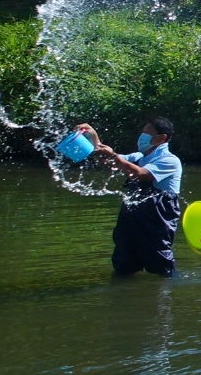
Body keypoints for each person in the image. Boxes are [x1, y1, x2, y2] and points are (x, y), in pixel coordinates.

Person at [77, 118, 183, 277]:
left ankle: (164, 296)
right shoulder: (138, 157)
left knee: (161, 269)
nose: (142, 135)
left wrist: (113, 155)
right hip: (131, 222)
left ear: (161, 138)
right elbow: (110, 162)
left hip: (156, 223)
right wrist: (93, 137)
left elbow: (139, 174)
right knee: (123, 265)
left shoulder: (169, 160)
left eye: (147, 132)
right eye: (143, 131)